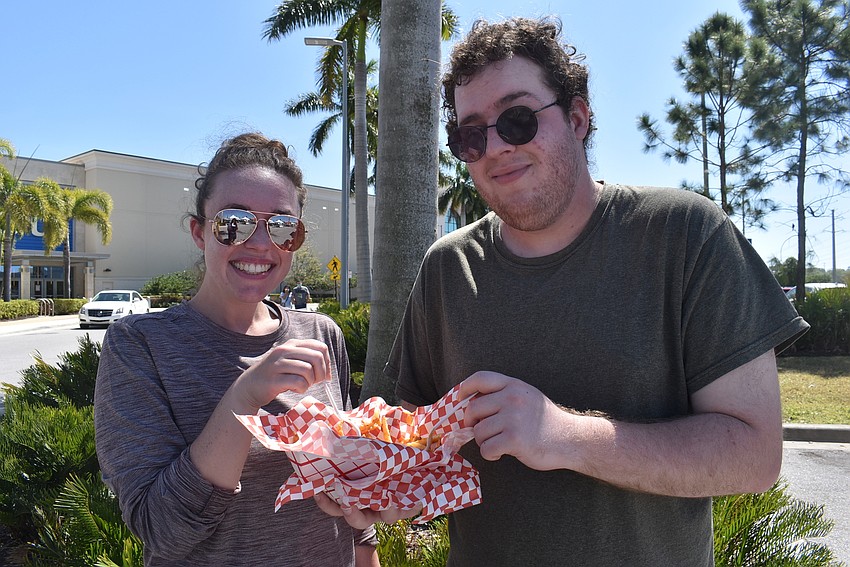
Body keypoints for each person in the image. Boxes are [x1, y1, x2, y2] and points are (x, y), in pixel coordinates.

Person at [379, 17, 809, 566]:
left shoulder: (685, 235)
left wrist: (564, 436)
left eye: (516, 119)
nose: (495, 147)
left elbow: (754, 455)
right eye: (470, 134)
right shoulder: (446, 268)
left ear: (578, 117)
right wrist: (367, 482)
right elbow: (415, 452)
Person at [94, 133, 379, 566]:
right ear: (199, 232)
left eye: (282, 226)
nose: (261, 244)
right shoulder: (140, 346)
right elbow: (162, 530)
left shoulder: (320, 333)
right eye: (234, 222)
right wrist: (244, 397)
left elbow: (349, 488)